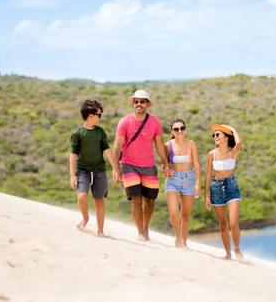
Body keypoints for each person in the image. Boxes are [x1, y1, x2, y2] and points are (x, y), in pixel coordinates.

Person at [113, 89, 170, 242]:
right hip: (128, 165)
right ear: (134, 103)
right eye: (136, 101)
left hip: (149, 166)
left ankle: (145, 228)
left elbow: (159, 145)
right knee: (136, 199)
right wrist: (115, 168)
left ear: (147, 104)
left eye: (142, 101)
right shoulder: (124, 122)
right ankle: (140, 232)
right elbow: (117, 146)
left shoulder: (155, 122)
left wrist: (165, 163)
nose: (139, 104)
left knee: (150, 201)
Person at [69, 99, 119, 237]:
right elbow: (73, 155)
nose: (100, 117)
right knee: (81, 197)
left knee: (99, 200)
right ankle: (85, 218)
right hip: (83, 171)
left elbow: (107, 151)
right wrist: (72, 175)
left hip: (99, 171)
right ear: (90, 116)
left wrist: (115, 168)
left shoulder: (100, 132)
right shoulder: (78, 134)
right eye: (99, 114)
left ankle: (100, 231)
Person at [205, 124, 243, 260]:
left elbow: (239, 142)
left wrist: (232, 128)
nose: (215, 137)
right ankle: (227, 254)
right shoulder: (211, 154)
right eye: (214, 135)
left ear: (226, 138)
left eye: (218, 134)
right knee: (223, 223)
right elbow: (208, 175)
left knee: (233, 222)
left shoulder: (232, 152)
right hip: (216, 187)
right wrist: (207, 196)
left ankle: (237, 249)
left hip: (231, 186)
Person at [164, 119, 201, 248]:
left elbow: (196, 164)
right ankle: (178, 238)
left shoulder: (191, 144)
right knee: (174, 212)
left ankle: (183, 243)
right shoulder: (168, 145)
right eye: (176, 129)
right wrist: (167, 168)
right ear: (172, 131)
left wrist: (197, 183)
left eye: (182, 128)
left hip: (189, 179)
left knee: (185, 215)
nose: (180, 131)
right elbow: (165, 163)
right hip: (173, 180)